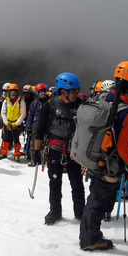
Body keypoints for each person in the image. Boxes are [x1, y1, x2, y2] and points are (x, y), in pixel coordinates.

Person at [79, 62, 128, 251]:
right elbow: (123, 147)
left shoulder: (103, 98)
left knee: (95, 198)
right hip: (110, 163)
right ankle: (90, 239)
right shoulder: (127, 113)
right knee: (98, 201)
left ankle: (88, 236)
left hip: (96, 156)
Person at [32, 72, 85, 225]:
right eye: (73, 90)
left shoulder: (80, 105)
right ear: (63, 91)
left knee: (77, 182)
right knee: (55, 181)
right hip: (55, 150)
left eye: (77, 90)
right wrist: (36, 152)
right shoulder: (49, 106)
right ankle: (55, 210)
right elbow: (40, 131)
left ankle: (80, 212)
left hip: (74, 151)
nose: (76, 93)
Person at [0, 84, 26, 163]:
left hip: (16, 124)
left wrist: (17, 123)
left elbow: (23, 114)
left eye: (14, 92)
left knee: (16, 140)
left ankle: (17, 154)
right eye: (11, 92)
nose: (13, 94)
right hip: (7, 123)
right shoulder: (6, 101)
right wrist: (6, 123)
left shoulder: (20, 101)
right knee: (5, 139)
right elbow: (3, 113)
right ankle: (3, 152)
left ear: (17, 92)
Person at [26, 83, 50, 166]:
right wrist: (28, 127)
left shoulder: (50, 102)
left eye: (44, 91)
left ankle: (46, 160)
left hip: (48, 126)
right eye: (41, 91)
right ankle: (34, 159)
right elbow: (30, 115)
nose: (43, 93)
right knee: (33, 144)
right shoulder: (34, 103)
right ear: (37, 93)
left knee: (47, 144)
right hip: (36, 125)